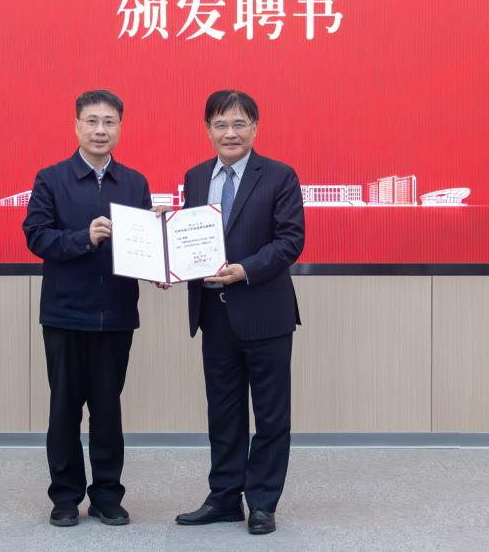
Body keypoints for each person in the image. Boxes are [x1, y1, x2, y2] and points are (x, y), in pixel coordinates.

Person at [172, 89, 305, 535]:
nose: (230, 132)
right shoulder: (195, 177)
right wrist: (168, 264)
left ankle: (262, 502)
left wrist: (245, 270)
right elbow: (189, 239)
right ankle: (225, 497)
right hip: (213, 314)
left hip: (265, 313)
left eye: (239, 124)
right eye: (220, 124)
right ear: (208, 129)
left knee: (271, 415)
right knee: (223, 412)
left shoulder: (280, 175)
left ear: (255, 128)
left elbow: (290, 241)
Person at [22, 89, 151, 528]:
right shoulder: (51, 179)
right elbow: (37, 236)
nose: (100, 130)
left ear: (120, 128)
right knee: (64, 411)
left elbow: (142, 246)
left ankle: (107, 496)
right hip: (65, 314)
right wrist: (84, 237)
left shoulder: (134, 183)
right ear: (77, 125)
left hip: (116, 314)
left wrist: (159, 265)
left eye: (109, 122)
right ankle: (65, 497)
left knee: (108, 411)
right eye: (92, 121)